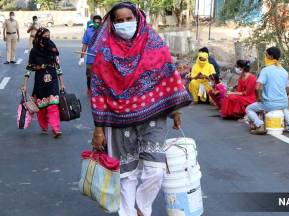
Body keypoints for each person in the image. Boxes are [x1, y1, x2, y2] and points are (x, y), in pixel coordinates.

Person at [89, 2, 191, 216]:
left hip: (153, 114)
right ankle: (128, 212)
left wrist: (175, 110)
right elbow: (97, 91)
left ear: (138, 18)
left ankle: (142, 207)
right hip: (117, 119)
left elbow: (168, 75)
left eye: (129, 19)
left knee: (155, 170)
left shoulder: (154, 43)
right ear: (112, 24)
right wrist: (98, 129)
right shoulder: (104, 53)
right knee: (126, 173)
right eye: (119, 21)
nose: (125, 24)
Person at [21, 28, 65, 138]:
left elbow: (58, 66)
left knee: (53, 104)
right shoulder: (34, 51)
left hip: (52, 78)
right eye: (45, 36)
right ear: (39, 37)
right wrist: (25, 84)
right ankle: (44, 127)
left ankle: (56, 128)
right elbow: (29, 68)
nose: (47, 38)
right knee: (42, 106)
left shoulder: (52, 48)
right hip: (40, 80)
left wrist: (62, 82)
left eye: (49, 36)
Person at [246, 47, 289, 135]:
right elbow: (287, 91)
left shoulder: (265, 70)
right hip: (283, 102)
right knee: (282, 108)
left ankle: (260, 125)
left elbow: (257, 87)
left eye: (266, 55)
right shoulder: (284, 71)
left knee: (249, 109)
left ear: (270, 56)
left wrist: (258, 98)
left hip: (269, 104)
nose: (265, 57)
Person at [79, 15, 102, 96]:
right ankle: (89, 89)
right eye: (95, 22)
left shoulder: (103, 32)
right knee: (89, 76)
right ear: (93, 22)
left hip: (101, 59)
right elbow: (85, 45)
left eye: (98, 23)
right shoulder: (88, 31)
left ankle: (99, 91)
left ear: (101, 23)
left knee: (101, 77)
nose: (97, 24)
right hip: (90, 58)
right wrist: (81, 58)